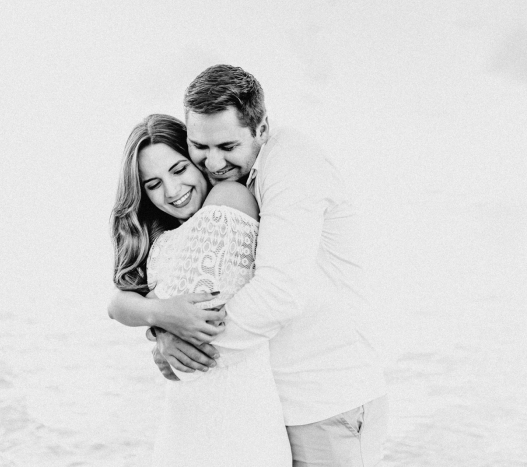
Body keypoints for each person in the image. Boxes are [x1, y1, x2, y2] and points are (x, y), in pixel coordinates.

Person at [110, 65, 389, 466]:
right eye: (199, 147)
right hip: (272, 405)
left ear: (261, 128)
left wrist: (182, 348)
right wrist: (162, 325)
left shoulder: (292, 165)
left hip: (325, 399)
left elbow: (278, 294)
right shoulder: (233, 185)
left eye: (226, 146)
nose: (213, 161)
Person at [109, 114, 292, 466]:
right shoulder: (161, 235)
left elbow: (202, 316)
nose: (173, 191)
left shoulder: (230, 198)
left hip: (239, 418)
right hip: (182, 420)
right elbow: (117, 303)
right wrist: (160, 321)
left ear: (195, 158)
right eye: (153, 184)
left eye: (179, 170)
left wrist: (158, 320)